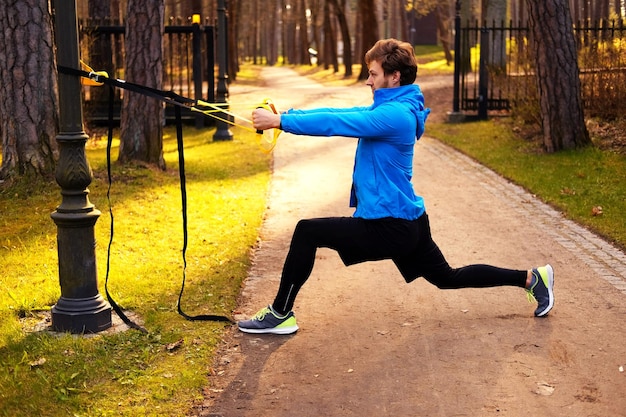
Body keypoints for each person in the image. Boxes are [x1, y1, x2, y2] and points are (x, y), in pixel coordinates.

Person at [238, 38, 554, 335]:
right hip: (408, 221)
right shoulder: (390, 109)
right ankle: (531, 278)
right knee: (447, 277)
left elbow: (338, 124)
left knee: (308, 231)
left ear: (394, 76)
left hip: (389, 226)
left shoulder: (395, 116)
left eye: (373, 74)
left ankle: (280, 313)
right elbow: (339, 112)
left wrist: (280, 123)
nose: (368, 80)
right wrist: (287, 116)